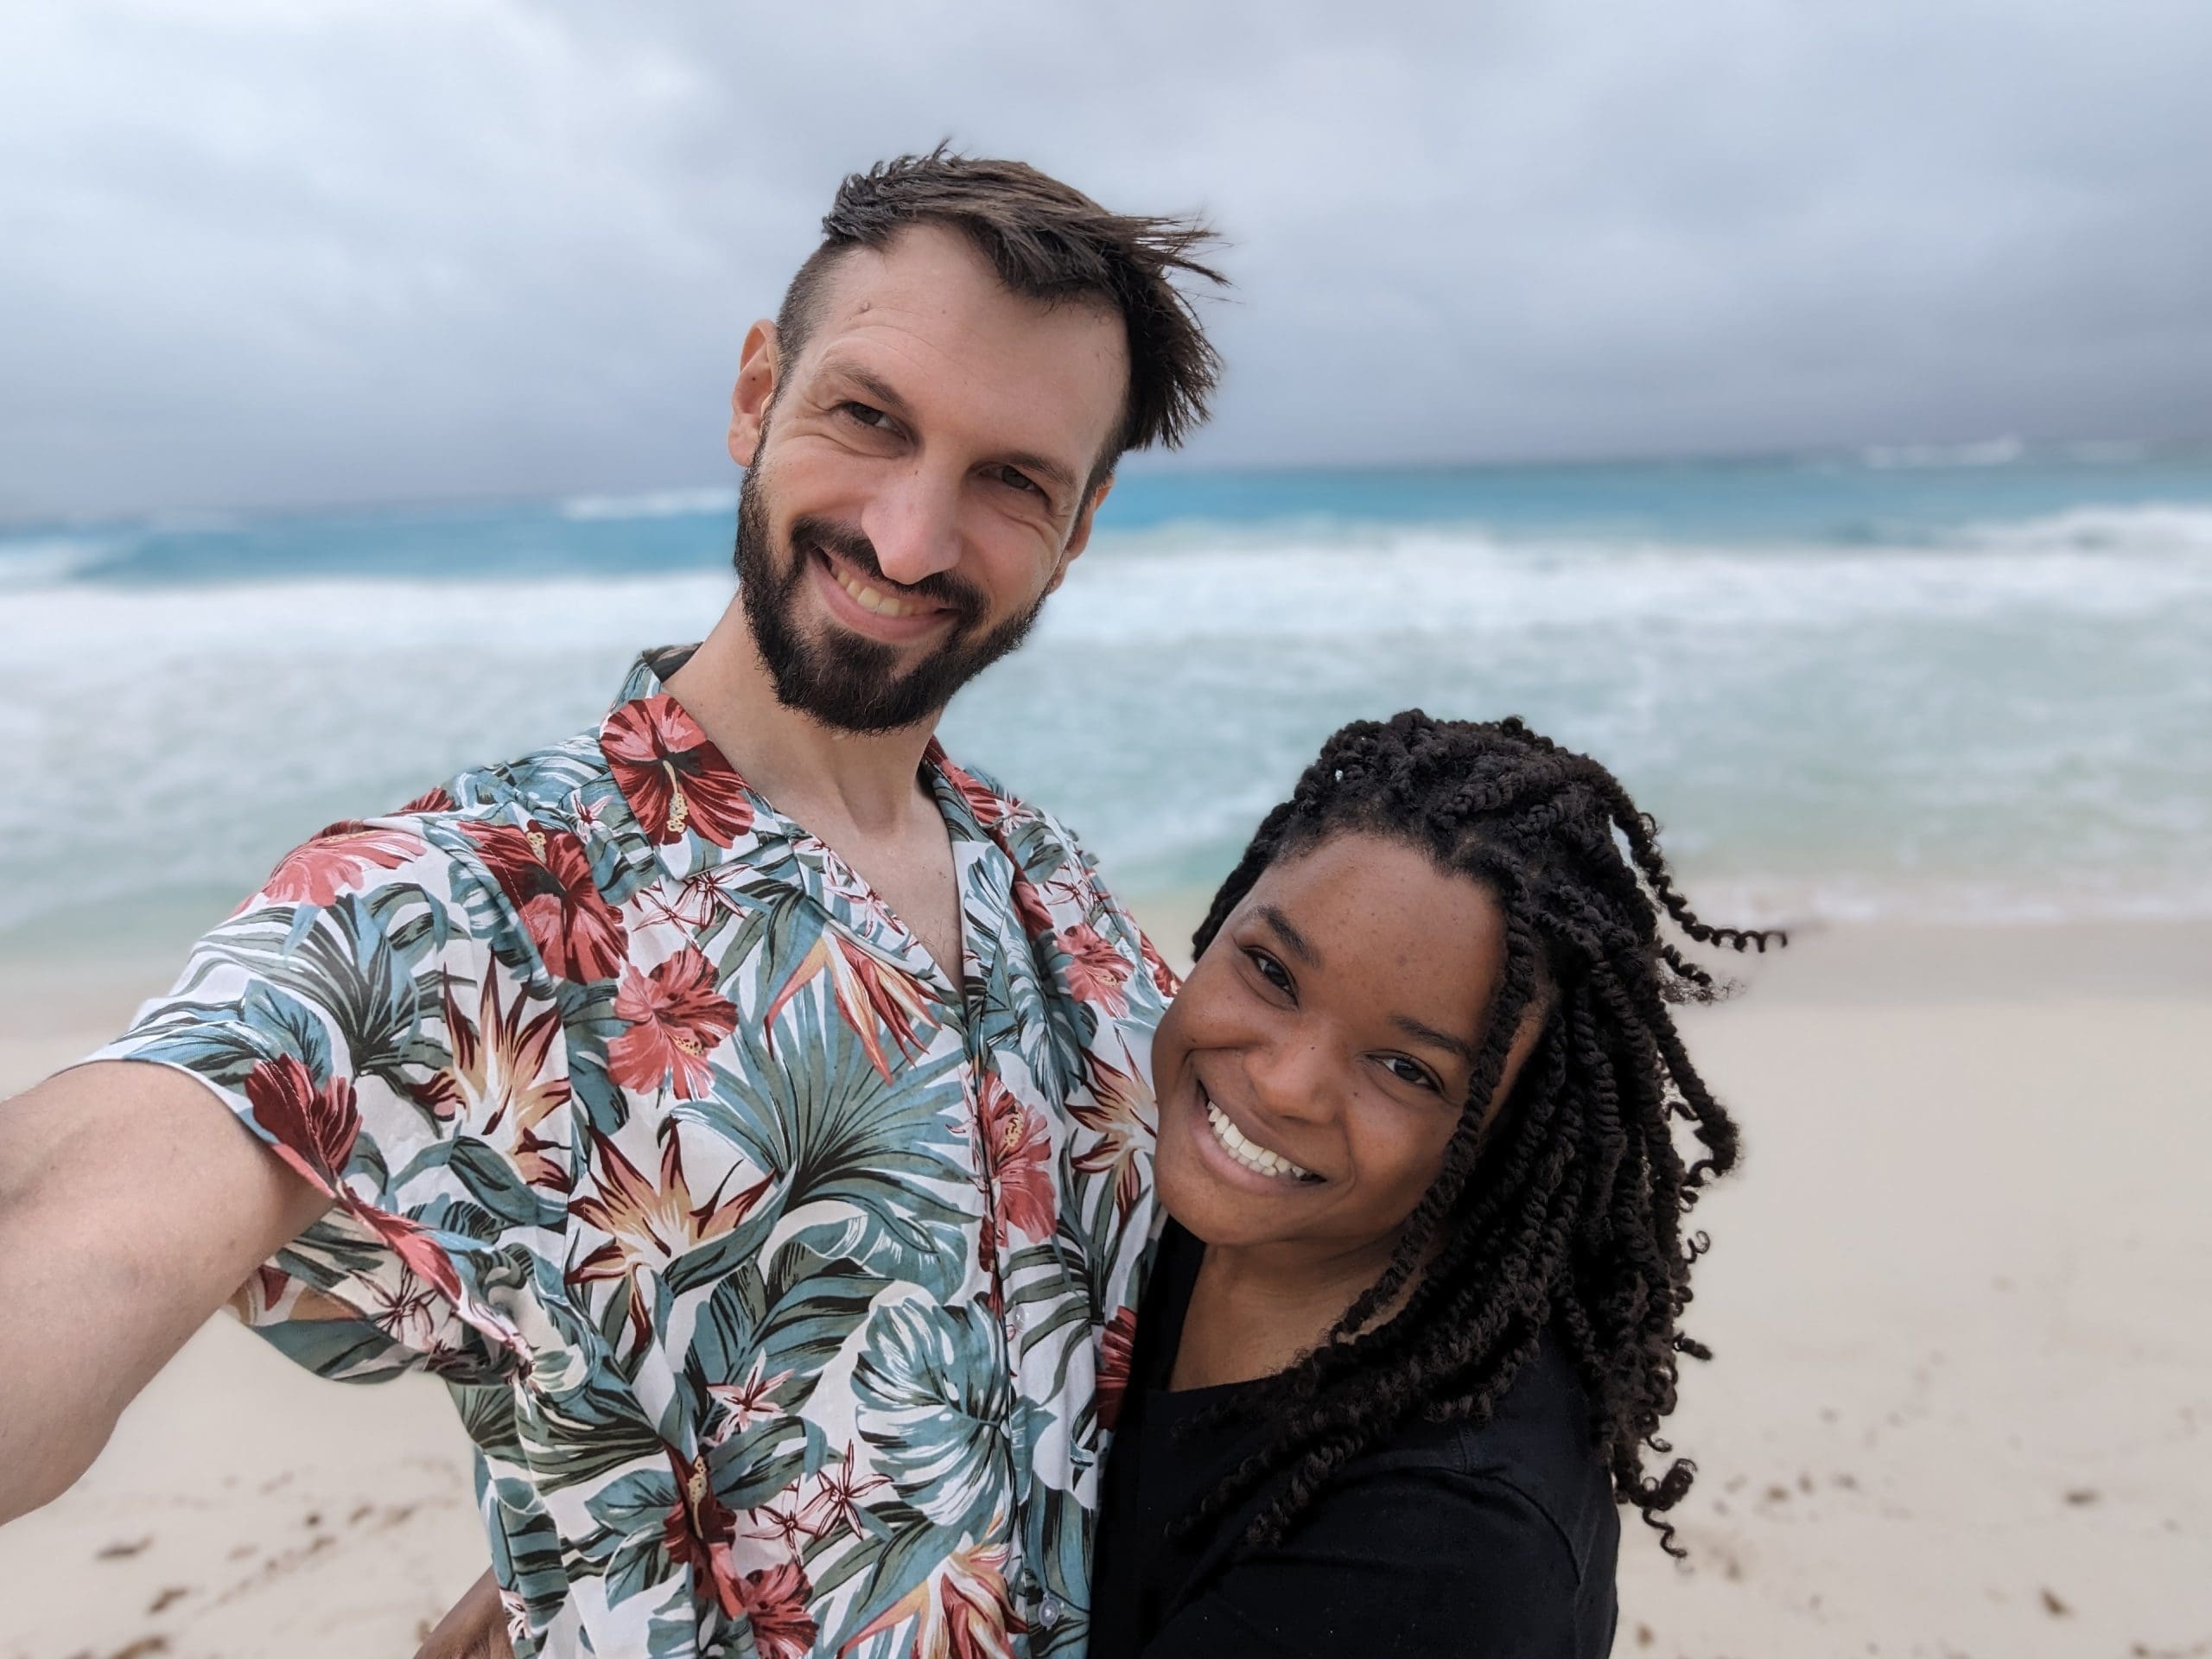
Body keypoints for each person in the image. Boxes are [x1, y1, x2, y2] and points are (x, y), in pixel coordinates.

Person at [0, 151, 1223, 1659]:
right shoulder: (482, 904)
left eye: (1009, 480)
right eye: (867, 418)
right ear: (754, 392)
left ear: (1080, 527)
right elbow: (105, 1205)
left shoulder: (1066, 905)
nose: (908, 539)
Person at [1087, 710, 1777, 1657]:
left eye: (1406, 1070)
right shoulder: (1152, 1219)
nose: (1286, 1084)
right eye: (1269, 970)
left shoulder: (1439, 1557)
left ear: (1497, 1135)